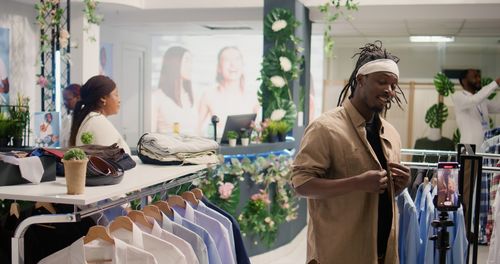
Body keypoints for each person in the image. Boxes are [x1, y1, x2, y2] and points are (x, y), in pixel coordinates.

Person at [291, 41, 410, 264]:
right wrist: (357, 182)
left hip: (383, 253)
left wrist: (399, 186)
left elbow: (379, 194)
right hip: (338, 253)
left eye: (393, 85)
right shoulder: (325, 128)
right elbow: (301, 184)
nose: (389, 90)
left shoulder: (391, 134)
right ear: (361, 80)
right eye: (382, 82)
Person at [198, 46, 260, 138]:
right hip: (219, 149)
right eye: (227, 60)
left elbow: (260, 131)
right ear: (219, 67)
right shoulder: (209, 95)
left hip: (247, 149)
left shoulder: (253, 97)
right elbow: (196, 129)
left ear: (243, 65)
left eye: (237, 59)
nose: (233, 64)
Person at [69, 75, 130, 154]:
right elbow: (108, 161)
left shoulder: (92, 119)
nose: (119, 100)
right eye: (116, 95)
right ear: (103, 98)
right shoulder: (97, 122)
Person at [152, 46, 197, 135]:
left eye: (191, 61)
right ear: (174, 63)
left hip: (192, 147)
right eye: (187, 61)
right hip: (168, 147)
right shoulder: (157, 97)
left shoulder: (192, 97)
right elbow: (151, 135)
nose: (190, 66)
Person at [452, 69, 500, 148]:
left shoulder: (482, 101)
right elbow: (474, 100)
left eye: (479, 77)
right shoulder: (458, 96)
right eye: (475, 77)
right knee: (469, 160)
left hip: (486, 147)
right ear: (464, 81)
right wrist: (496, 83)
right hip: (468, 147)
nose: (479, 79)